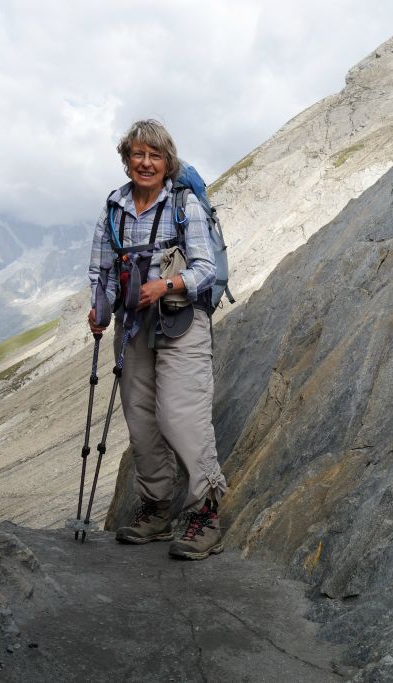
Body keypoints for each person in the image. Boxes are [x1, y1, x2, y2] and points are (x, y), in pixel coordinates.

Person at [87, 119, 228, 560]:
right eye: (138, 154)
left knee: (180, 416)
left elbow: (206, 266)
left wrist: (165, 287)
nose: (146, 163)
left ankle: (205, 512)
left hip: (180, 319)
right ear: (126, 159)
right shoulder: (114, 209)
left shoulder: (185, 206)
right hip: (132, 325)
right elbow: (103, 273)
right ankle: (157, 509)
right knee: (142, 421)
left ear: (168, 163)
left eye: (155, 156)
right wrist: (101, 307)